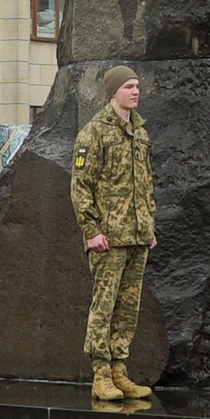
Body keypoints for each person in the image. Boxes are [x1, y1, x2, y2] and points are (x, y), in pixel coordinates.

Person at [71, 66, 157, 400]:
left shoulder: (140, 133)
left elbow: (145, 184)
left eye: (137, 86)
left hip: (136, 236)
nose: (136, 91)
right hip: (108, 238)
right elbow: (81, 186)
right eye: (129, 87)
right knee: (104, 305)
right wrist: (91, 230)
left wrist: (148, 226)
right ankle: (101, 374)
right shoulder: (93, 133)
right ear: (113, 93)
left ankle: (120, 370)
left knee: (128, 308)